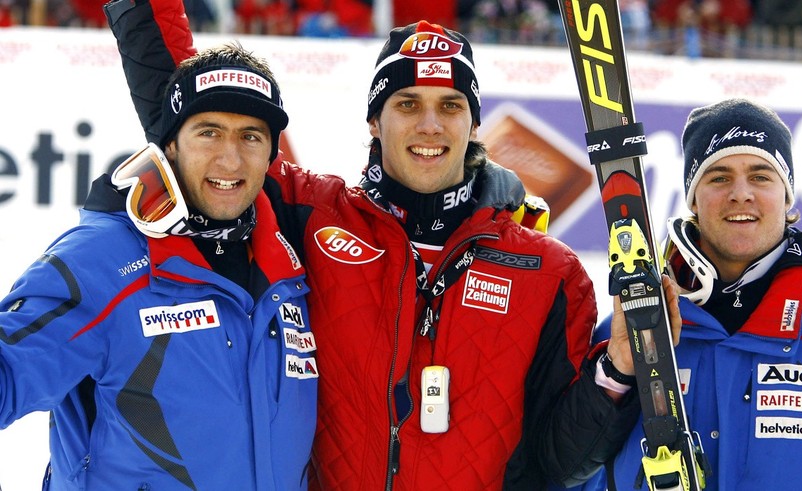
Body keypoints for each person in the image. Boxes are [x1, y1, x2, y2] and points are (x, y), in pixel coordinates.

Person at [99, 0, 681, 488]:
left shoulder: (548, 272)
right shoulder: (307, 217)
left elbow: (560, 461)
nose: (430, 125)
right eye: (407, 105)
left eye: (450, 106)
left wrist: (620, 370)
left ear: (473, 123)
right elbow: (193, 109)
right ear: (375, 122)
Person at [0, 41, 316, 489]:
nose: (230, 158)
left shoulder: (294, 273)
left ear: (271, 156)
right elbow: (10, 371)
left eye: (251, 135)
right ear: (171, 144)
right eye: (209, 131)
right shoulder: (105, 260)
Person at [579, 98, 802, 490]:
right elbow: (562, 471)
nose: (741, 193)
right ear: (693, 201)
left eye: (761, 176)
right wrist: (614, 375)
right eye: (718, 177)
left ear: (787, 199)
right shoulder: (628, 333)